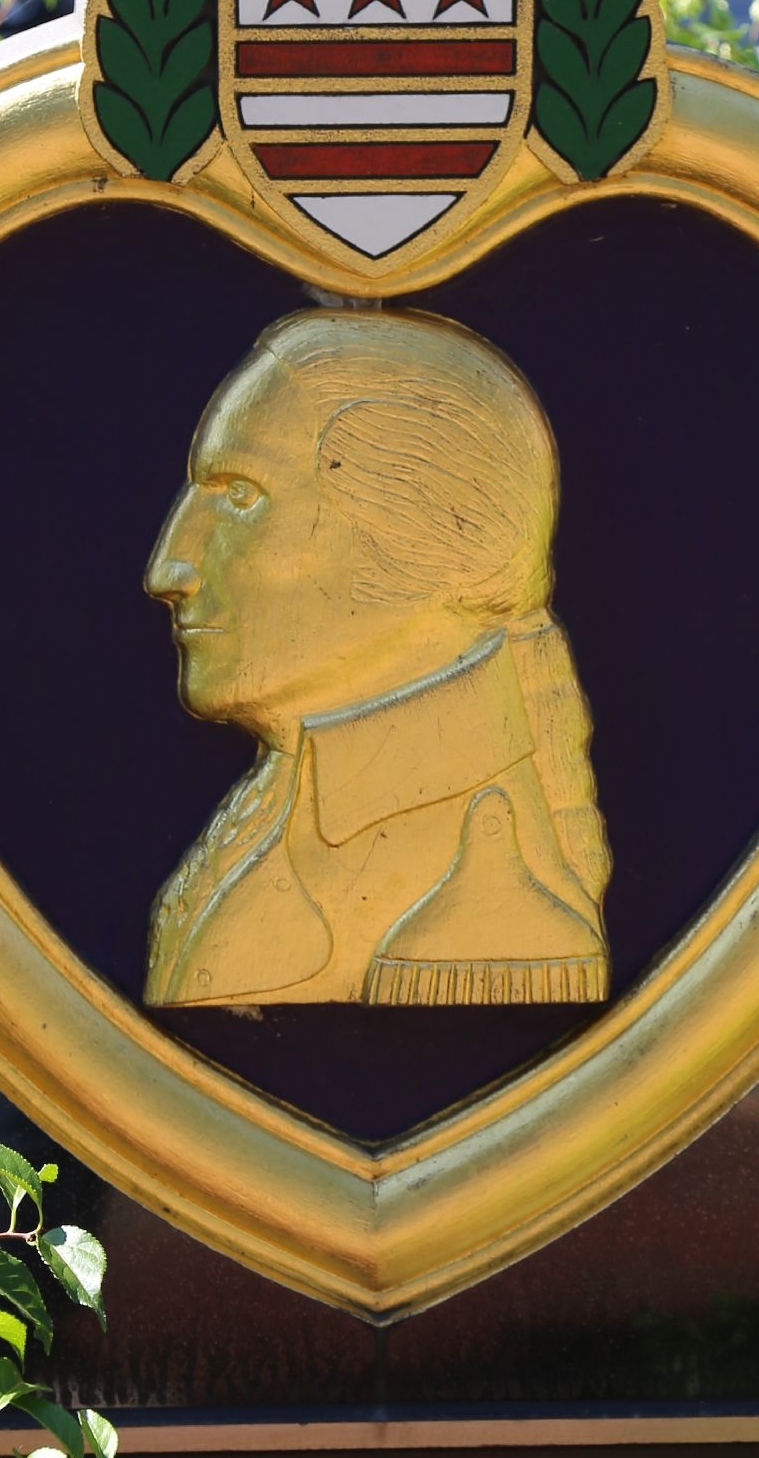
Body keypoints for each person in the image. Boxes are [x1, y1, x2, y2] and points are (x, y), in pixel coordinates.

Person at [141, 306, 611, 1009]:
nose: (168, 571)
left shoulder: (486, 907)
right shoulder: (280, 799)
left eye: (241, 495)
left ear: (424, 533)